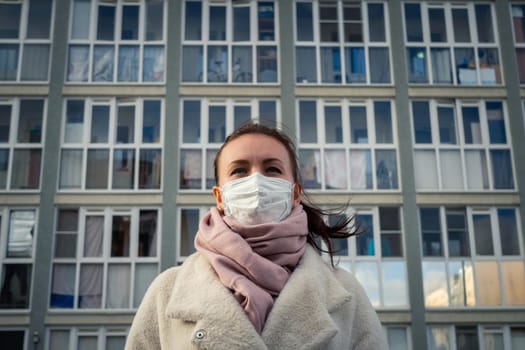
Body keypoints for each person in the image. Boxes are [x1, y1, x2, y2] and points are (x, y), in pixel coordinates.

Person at [125, 122, 388, 350]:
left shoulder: (347, 294)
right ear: (219, 197)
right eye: (239, 170)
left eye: (272, 169)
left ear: (294, 193)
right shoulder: (167, 291)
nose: (257, 181)